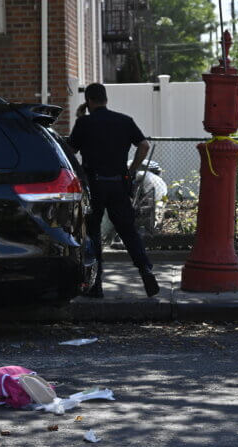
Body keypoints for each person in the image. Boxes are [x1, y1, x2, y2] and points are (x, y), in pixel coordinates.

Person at [68, 83, 159, 298]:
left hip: (94, 184)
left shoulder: (84, 123)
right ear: (105, 99)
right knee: (128, 230)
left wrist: (80, 119)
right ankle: (145, 268)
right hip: (119, 183)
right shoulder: (124, 121)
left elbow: (71, 151)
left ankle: (95, 284)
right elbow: (144, 145)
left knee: (93, 233)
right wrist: (131, 169)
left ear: (89, 101)